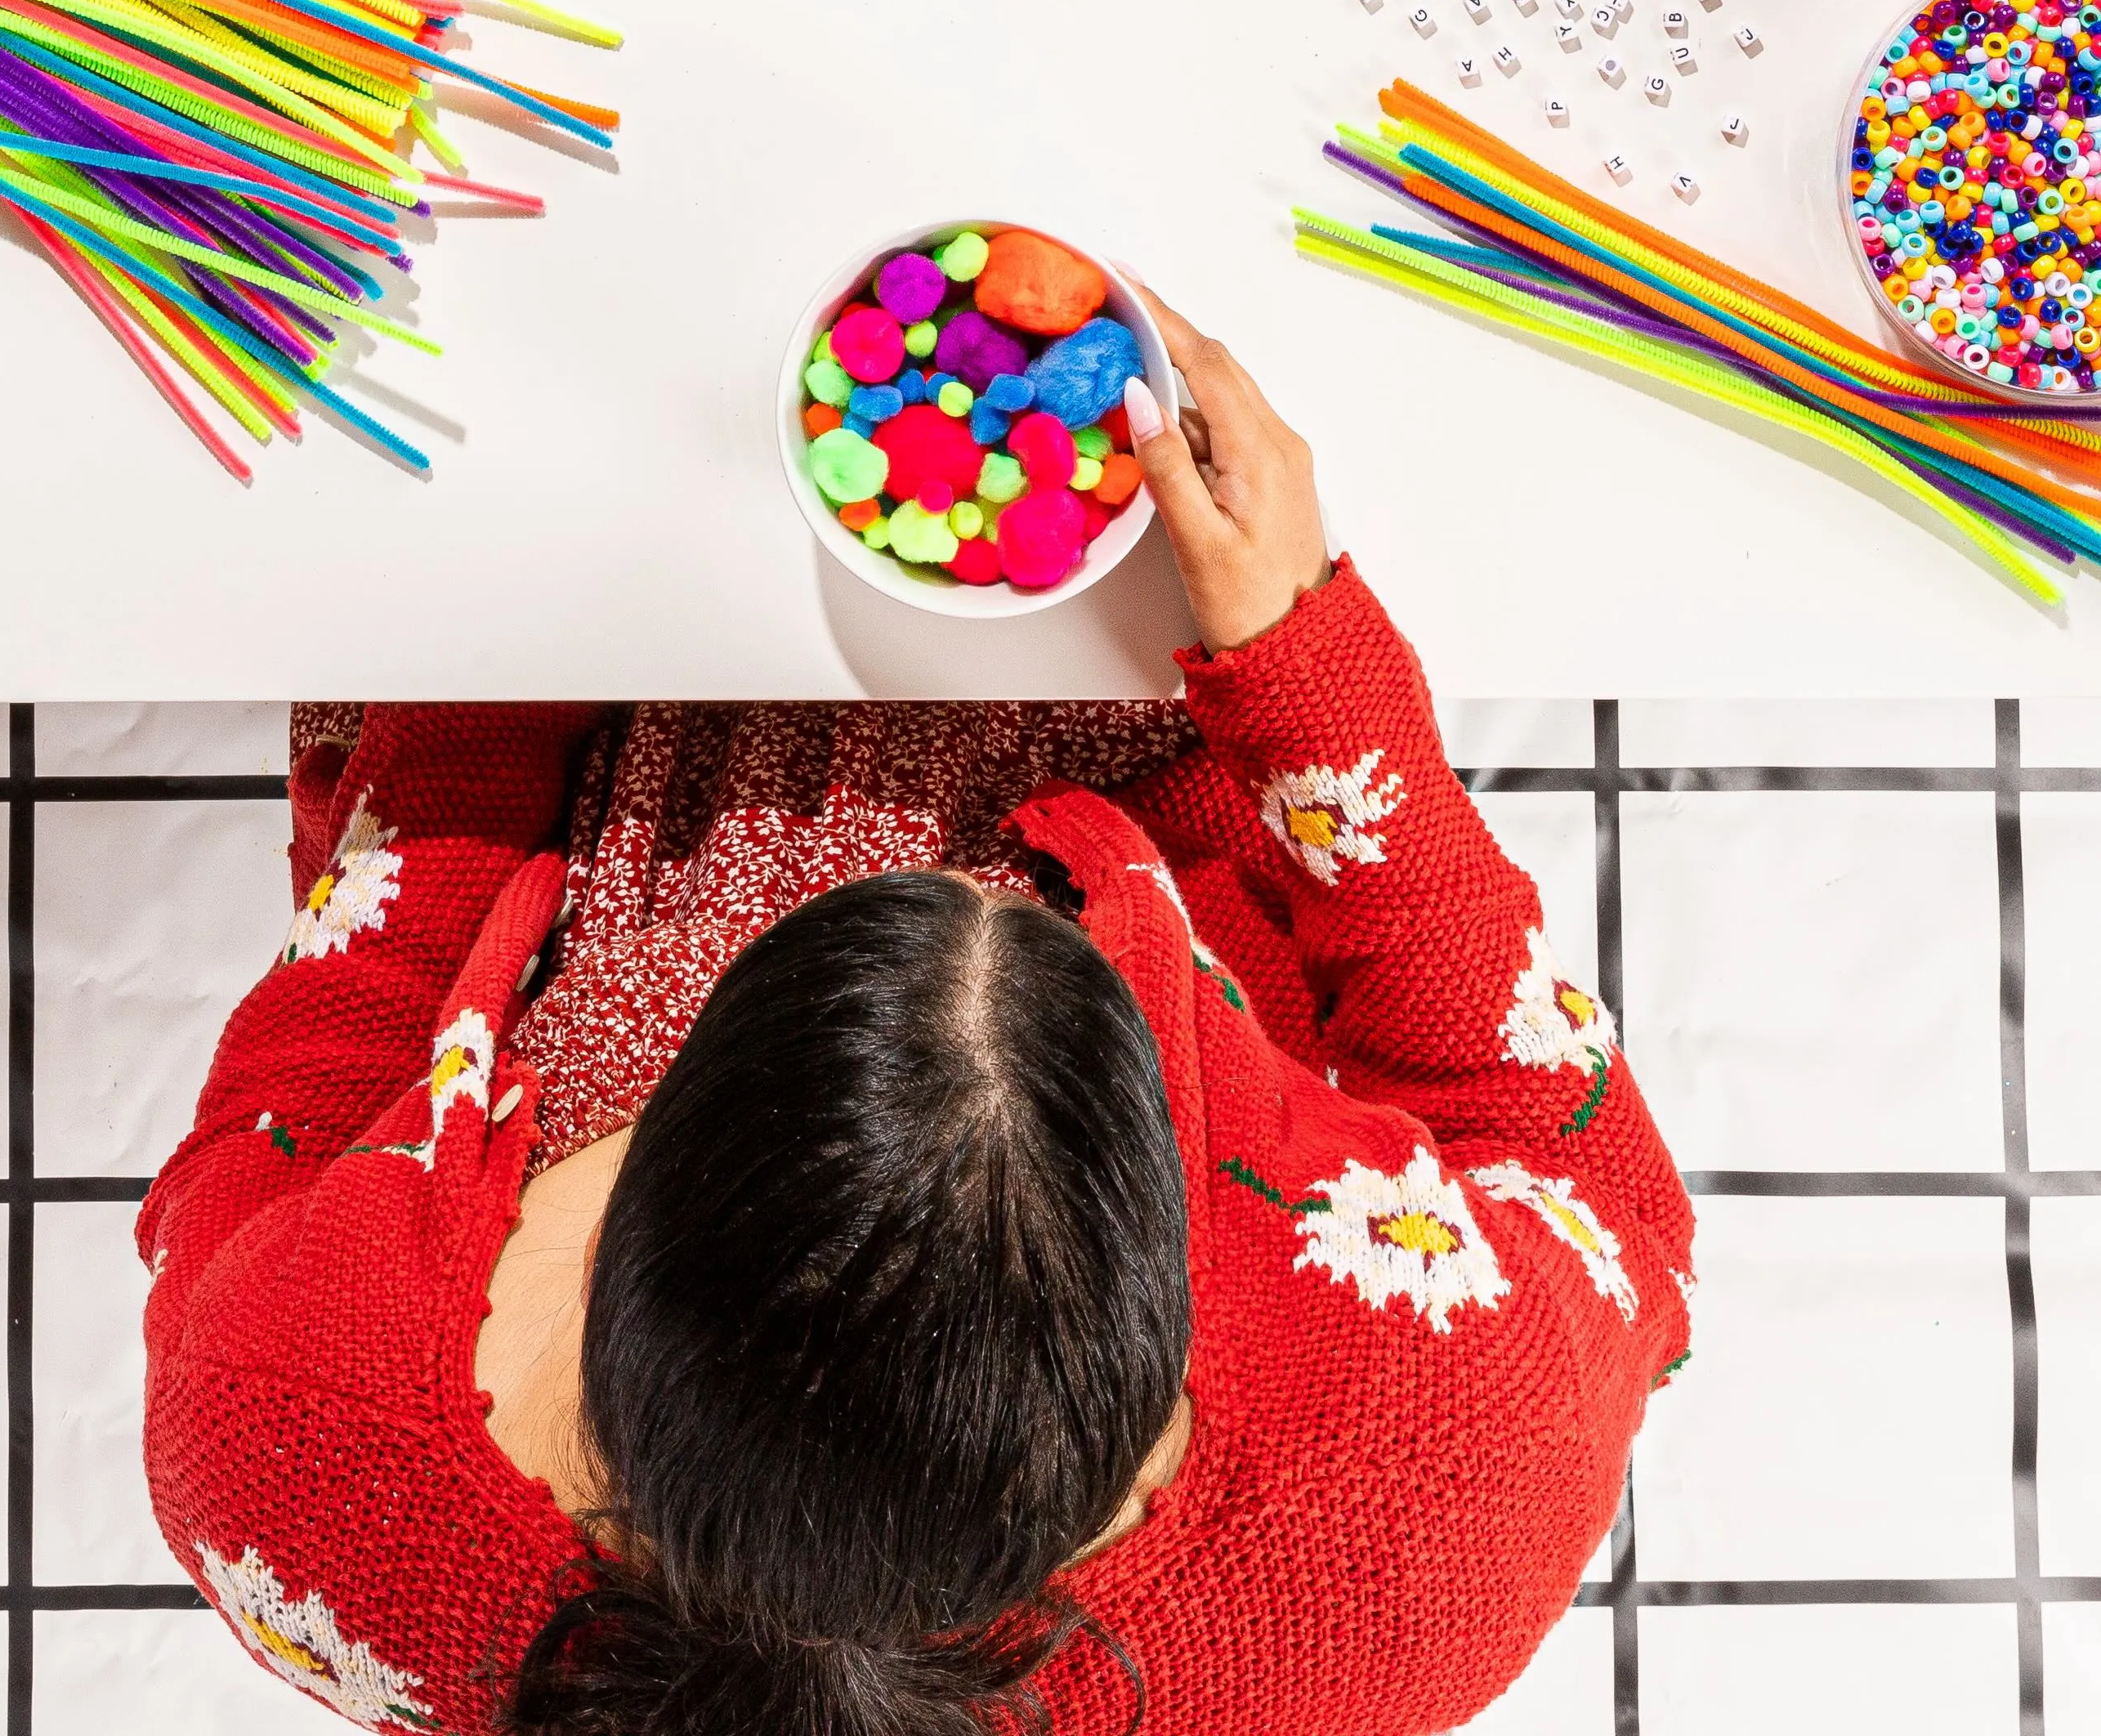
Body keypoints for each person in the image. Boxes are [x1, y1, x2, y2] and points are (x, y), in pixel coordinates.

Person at [139, 298, 1686, 1734]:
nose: (971, 891)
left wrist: (511, 638)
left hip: (623, 744)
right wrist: (1300, 668)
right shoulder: (1441, 1503)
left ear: (626, 1266)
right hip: (1169, 757)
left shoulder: (289, 1441)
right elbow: (1594, 1185)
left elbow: (349, 1013)